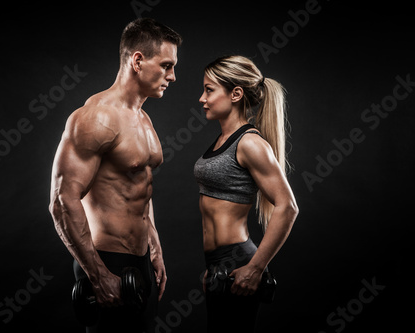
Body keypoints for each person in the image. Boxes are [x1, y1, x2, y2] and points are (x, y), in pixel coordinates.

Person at [48, 18, 182, 333]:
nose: (172, 76)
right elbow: (62, 200)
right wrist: (98, 275)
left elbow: (139, 186)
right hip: (108, 263)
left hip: (141, 264)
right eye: (166, 65)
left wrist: (155, 244)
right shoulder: (96, 118)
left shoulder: (144, 118)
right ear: (137, 60)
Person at [193, 55, 299, 332]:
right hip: (218, 263)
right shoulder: (221, 140)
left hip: (240, 260)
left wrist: (256, 267)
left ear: (235, 94)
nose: (202, 98)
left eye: (209, 89)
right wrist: (214, 266)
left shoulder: (249, 143)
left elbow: (287, 207)